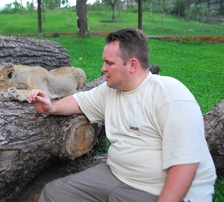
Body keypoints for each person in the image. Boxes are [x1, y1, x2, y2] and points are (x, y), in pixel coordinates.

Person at [28, 28, 217, 202]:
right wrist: (50, 107)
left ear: (132, 64)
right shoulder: (111, 90)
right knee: (55, 193)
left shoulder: (170, 95)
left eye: (109, 63)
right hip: (116, 176)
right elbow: (79, 101)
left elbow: (186, 164)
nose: (102, 68)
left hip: (158, 190)